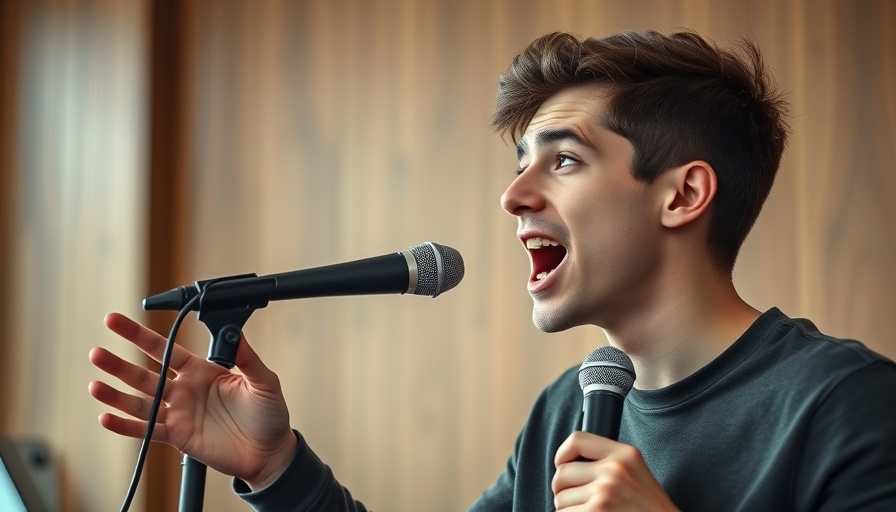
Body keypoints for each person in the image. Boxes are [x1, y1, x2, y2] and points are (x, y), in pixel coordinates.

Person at [89, 29, 896, 511]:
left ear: (682, 194)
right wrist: (276, 467)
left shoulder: (847, 405)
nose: (513, 196)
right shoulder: (569, 411)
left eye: (565, 160)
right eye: (518, 166)